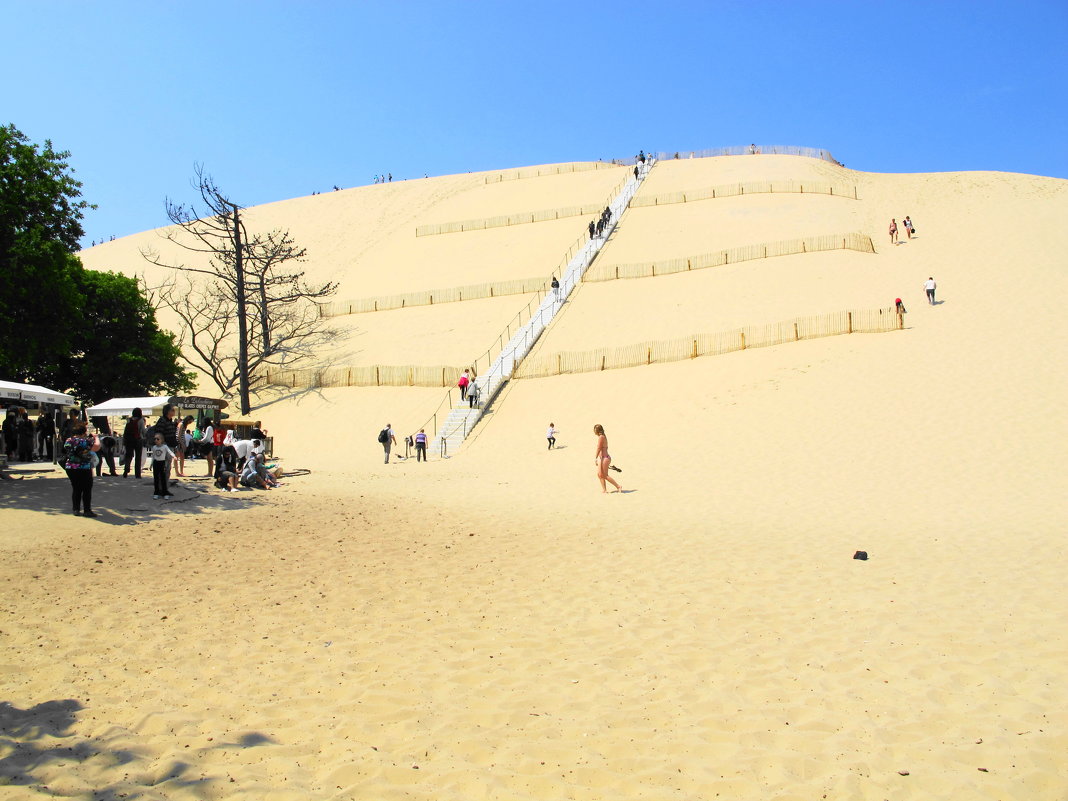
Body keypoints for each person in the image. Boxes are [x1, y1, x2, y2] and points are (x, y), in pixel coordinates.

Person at [63, 423, 100, 516]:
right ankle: (87, 510)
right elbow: (97, 447)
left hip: (71, 467)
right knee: (86, 489)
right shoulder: (86, 441)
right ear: (84, 432)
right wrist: (96, 437)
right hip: (84, 467)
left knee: (76, 488)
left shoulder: (68, 440)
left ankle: (76, 509)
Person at [593, 423, 622, 494]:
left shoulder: (601, 437)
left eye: (594, 430)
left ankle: (618, 486)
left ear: (597, 430)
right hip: (602, 458)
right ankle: (604, 490)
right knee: (600, 474)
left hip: (605, 458)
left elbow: (599, 448)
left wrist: (595, 458)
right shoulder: (602, 436)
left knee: (605, 475)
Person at [149, 432, 176, 500]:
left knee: (163, 478)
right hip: (156, 463)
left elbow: (169, 452)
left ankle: (165, 493)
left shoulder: (164, 447)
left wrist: (174, 456)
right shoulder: (154, 447)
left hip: (162, 463)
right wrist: (151, 464)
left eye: (157, 439)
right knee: (156, 479)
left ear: (161, 440)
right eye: (155, 439)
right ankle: (156, 493)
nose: (156, 440)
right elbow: (153, 456)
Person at [121, 407, 146, 478]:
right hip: (138, 440)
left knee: (129, 456)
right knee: (138, 457)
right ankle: (137, 474)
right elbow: (143, 431)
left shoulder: (129, 420)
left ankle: (126, 469)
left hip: (129, 440)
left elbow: (125, 431)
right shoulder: (140, 420)